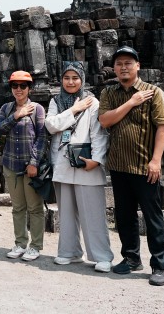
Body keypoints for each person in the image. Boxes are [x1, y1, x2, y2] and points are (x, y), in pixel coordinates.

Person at [99, 46, 164, 286]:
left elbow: (162, 127)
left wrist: (156, 160)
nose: (123, 67)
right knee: (124, 216)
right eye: (119, 63)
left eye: (128, 63)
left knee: (153, 217)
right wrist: (131, 102)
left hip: (144, 167)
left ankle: (158, 266)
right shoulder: (109, 92)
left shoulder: (154, 92)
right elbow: (105, 121)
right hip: (119, 166)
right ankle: (131, 258)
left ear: (137, 66)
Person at [44, 61, 113, 273]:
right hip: (63, 163)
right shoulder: (56, 101)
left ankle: (102, 256)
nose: (71, 82)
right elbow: (51, 125)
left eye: (75, 78)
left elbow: (99, 134)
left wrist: (97, 159)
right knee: (66, 212)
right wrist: (74, 109)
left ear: (81, 79)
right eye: (67, 78)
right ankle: (69, 251)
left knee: (92, 213)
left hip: (86, 162)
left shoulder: (92, 102)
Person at [0, 70, 48, 262]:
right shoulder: (7, 109)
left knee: (34, 207)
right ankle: (20, 243)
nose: (18, 89)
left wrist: (34, 162)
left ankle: (35, 246)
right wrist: (16, 116)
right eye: (14, 86)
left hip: (29, 165)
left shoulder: (38, 109)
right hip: (10, 163)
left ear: (29, 88)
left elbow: (42, 138)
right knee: (18, 207)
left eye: (23, 86)